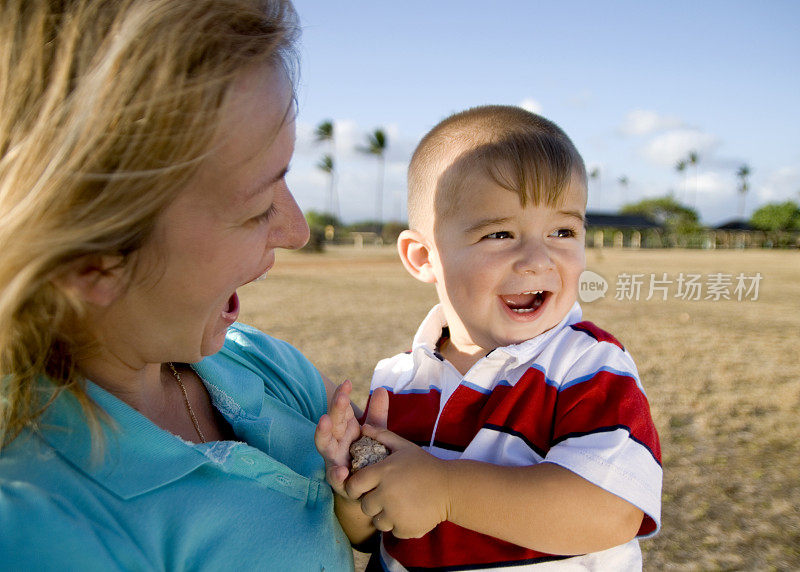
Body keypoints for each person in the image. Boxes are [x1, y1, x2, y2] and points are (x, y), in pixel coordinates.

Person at [0, 1, 366, 569]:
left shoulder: (264, 365)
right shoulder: (46, 527)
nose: (296, 231)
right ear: (91, 260)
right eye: (260, 206)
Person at [316, 105, 662, 570]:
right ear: (422, 257)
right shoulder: (397, 379)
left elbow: (612, 512)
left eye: (563, 230)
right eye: (500, 234)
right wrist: (352, 484)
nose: (538, 260)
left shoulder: (587, 366)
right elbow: (368, 535)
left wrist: (446, 491)